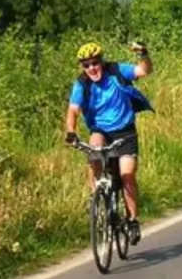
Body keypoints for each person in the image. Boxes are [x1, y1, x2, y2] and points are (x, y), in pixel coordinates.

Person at [65, 41, 152, 245]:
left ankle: (132, 220)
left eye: (95, 63)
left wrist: (144, 54)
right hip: (100, 130)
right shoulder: (82, 84)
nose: (91, 68)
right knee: (93, 147)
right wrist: (70, 131)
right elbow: (73, 110)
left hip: (124, 130)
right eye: (86, 65)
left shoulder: (116, 71)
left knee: (127, 175)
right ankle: (96, 196)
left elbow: (144, 70)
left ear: (101, 62)